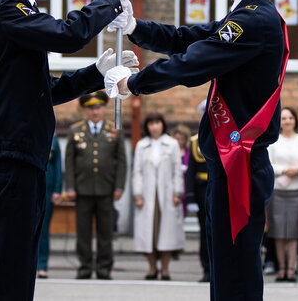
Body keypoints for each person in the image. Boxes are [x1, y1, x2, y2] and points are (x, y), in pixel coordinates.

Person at [106, 0, 287, 300]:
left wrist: (132, 83)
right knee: (223, 273)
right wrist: (136, 26)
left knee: (235, 278)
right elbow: (187, 38)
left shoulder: (254, 20)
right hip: (229, 162)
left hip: (241, 165)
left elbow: (193, 63)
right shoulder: (243, 16)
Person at [0, 0, 134, 300]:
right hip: (10, 161)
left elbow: (44, 89)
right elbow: (67, 35)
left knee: (19, 279)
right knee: (6, 282)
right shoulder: (5, 6)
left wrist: (98, 72)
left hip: (23, 160)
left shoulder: (17, 6)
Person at [64, 91, 128, 280]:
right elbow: (69, 161)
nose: (95, 112)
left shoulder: (114, 130)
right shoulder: (76, 131)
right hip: (82, 189)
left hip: (106, 189)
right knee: (83, 232)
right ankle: (84, 267)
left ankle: (104, 268)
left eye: (98, 108)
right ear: (86, 110)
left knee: (105, 232)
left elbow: (121, 161)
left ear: (103, 109)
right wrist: (70, 186)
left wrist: (119, 186)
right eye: (91, 108)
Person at [132, 112, 185, 280]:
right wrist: (138, 194)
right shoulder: (142, 145)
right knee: (149, 234)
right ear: (147, 127)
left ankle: (165, 269)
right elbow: (137, 172)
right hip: (148, 195)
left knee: (167, 233)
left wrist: (177, 193)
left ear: (163, 125)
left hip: (167, 194)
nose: (154, 127)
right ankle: (152, 268)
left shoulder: (172, 144)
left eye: (157, 123)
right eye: (151, 123)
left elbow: (178, 170)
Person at [267, 107, 298, 282]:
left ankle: (291, 269)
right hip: (278, 190)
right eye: (284, 118)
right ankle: (281, 269)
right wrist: (285, 170)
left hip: (297, 190)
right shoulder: (273, 141)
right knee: (278, 231)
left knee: (293, 232)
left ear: (295, 120)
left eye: (290, 118)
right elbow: (268, 165)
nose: (287, 121)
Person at [185, 103, 210, 283]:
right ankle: (207, 268)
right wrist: (191, 196)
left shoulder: (226, 135)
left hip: (221, 188)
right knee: (205, 231)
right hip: (202, 189)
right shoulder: (195, 141)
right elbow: (190, 172)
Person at [37, 134, 62, 279]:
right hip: (27, 187)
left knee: (43, 230)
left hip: (47, 187)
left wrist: (58, 189)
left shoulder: (52, 138)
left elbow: (58, 165)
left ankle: (42, 265)